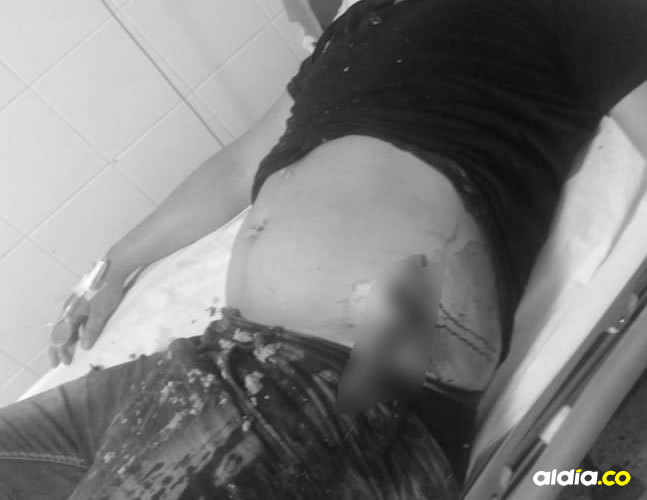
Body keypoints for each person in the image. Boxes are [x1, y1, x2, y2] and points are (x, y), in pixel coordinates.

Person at [2, 0, 647, 498]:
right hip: (218, 357)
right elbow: (239, 166)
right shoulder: (359, 23)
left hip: (341, 388)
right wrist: (116, 263)